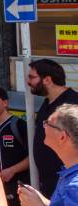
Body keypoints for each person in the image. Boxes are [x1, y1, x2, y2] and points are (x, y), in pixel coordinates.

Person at [18, 104, 78, 206]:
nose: (43, 126)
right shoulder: (70, 174)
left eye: (48, 123)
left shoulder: (75, 186)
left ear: (62, 137)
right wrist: (44, 202)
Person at [28, 59, 78, 197]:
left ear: (47, 80)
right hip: (50, 182)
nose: (28, 82)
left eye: (32, 77)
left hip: (68, 183)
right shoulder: (47, 103)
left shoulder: (73, 102)